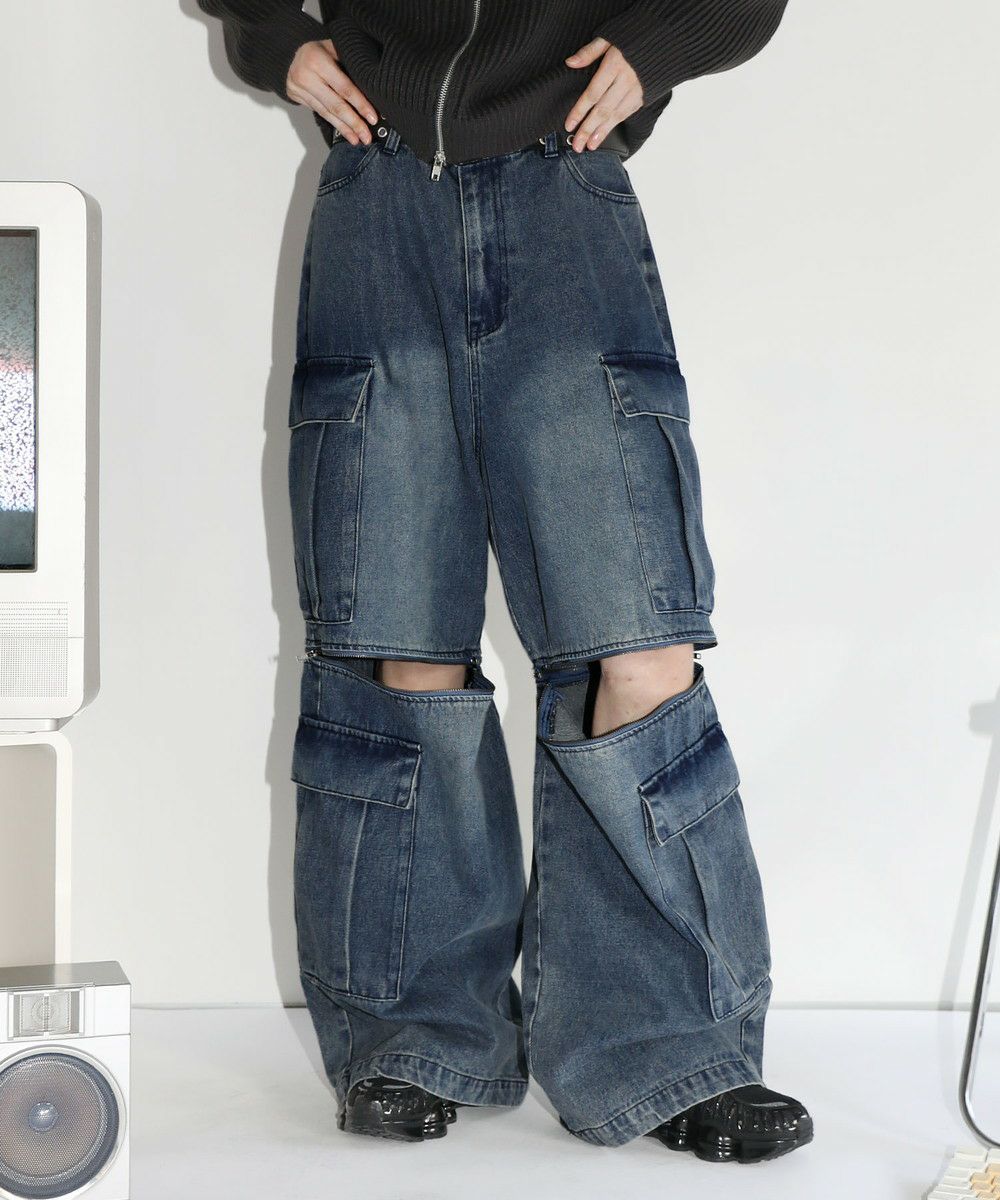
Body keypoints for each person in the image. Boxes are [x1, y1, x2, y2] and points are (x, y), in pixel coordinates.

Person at [198, 0, 814, 1162]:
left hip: (563, 199)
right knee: (400, 643)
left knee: (637, 644)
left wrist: (661, 48)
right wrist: (273, 32)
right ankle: (417, 1039)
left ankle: (674, 1052)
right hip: (379, 205)